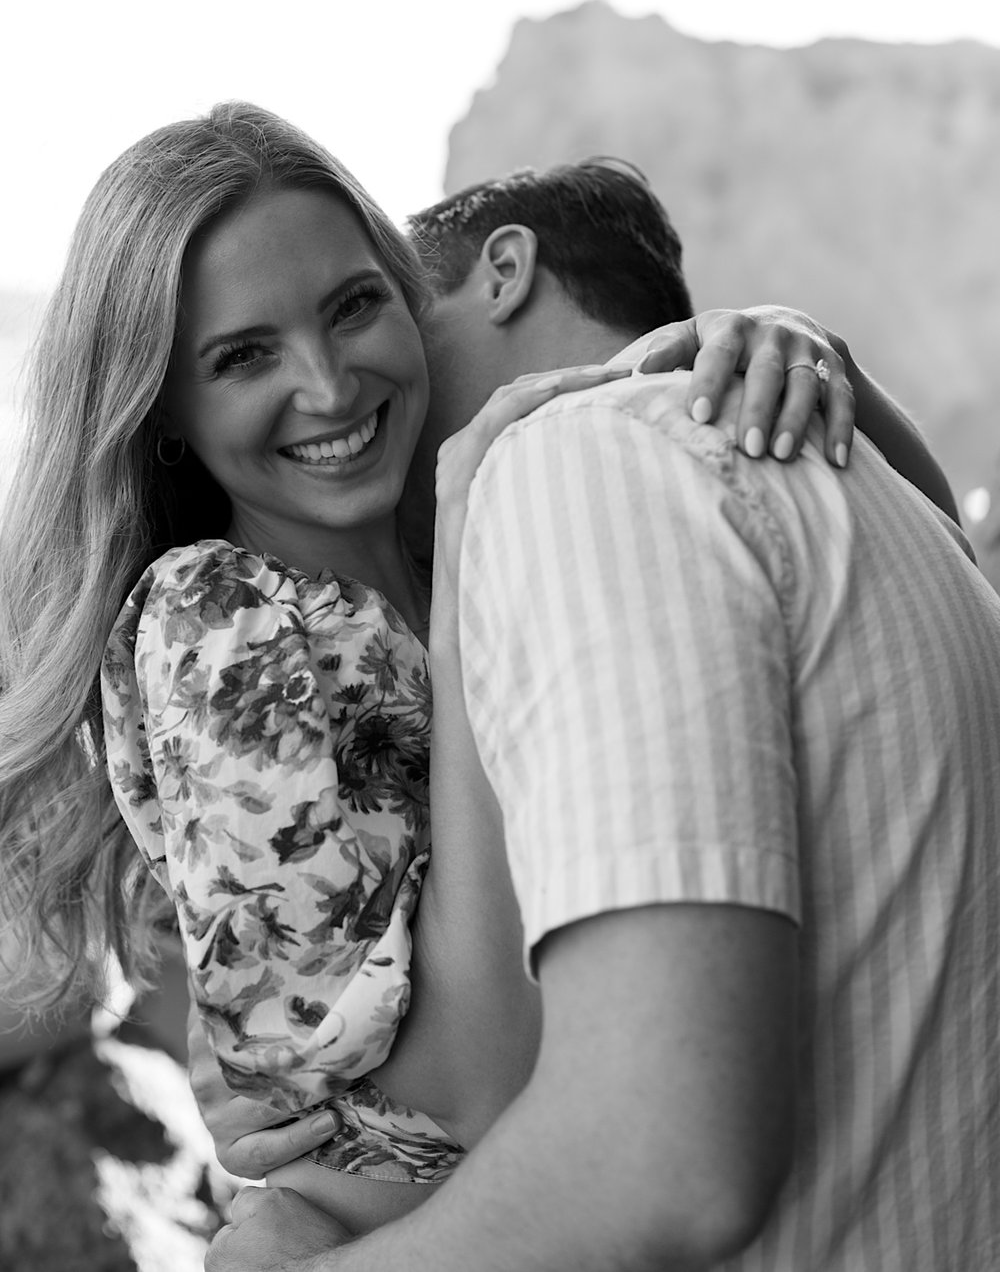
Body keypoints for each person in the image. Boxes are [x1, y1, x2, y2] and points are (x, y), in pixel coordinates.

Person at [0, 103, 867, 1240]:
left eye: (353, 305)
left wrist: (803, 345)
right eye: (244, 354)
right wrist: (460, 575)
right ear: (165, 406)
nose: (326, 383)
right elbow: (476, 1086)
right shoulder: (219, 622)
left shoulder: (437, 549)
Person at [204, 164, 1000, 1270]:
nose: (342, 388)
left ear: (504, 271)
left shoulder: (572, 466)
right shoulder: (863, 486)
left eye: (373, 304)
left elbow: (658, 1151)